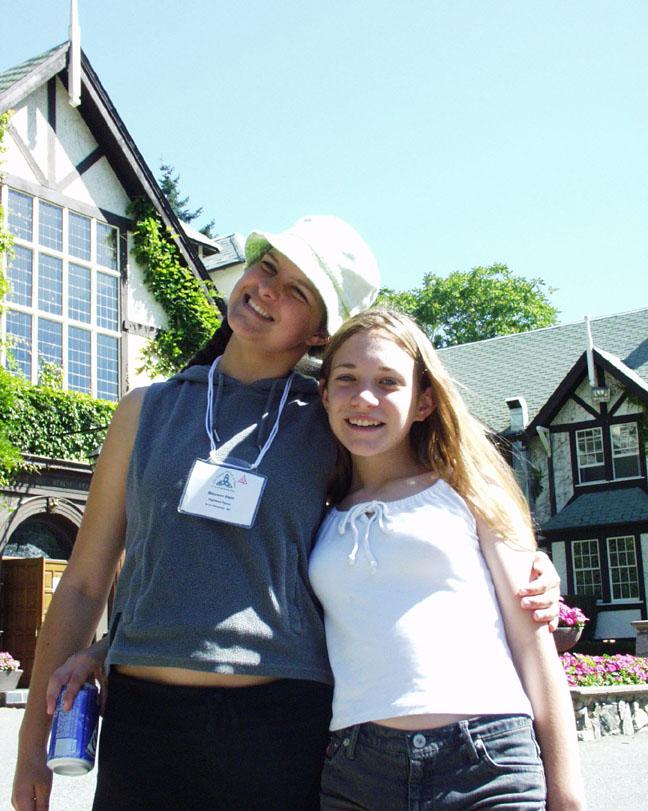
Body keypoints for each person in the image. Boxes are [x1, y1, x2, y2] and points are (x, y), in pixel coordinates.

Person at [12, 217, 561, 811]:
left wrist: (528, 565)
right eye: (267, 267)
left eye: (297, 290)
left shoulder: (337, 419)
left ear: (321, 333)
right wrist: (32, 744)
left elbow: (423, 506)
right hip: (143, 723)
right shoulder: (145, 411)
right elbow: (83, 584)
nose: (268, 289)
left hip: (281, 724)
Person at [309, 308, 586, 810]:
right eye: (346, 378)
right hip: (356, 770)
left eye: (388, 382)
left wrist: (567, 796)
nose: (364, 397)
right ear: (325, 394)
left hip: (486, 760)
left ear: (424, 401)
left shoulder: (471, 491)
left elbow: (533, 644)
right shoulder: (317, 512)